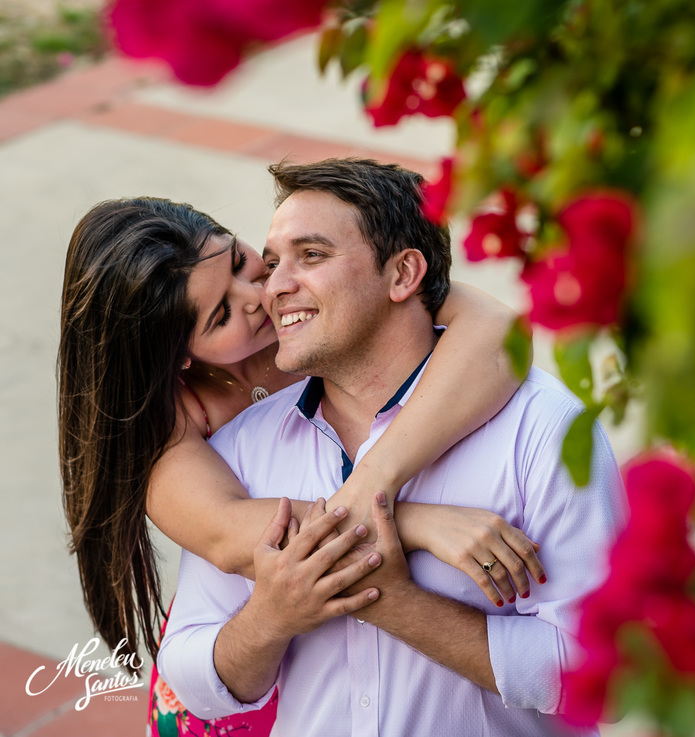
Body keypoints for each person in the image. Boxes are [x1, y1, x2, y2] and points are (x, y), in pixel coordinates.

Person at [156, 158, 627, 736]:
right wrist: (270, 618)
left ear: (403, 274)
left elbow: (606, 679)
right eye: (274, 261)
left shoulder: (542, 430)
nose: (270, 288)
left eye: (311, 255)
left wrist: (397, 603)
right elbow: (191, 679)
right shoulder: (233, 448)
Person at [58, 193, 543, 737]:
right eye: (221, 313)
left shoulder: (329, 304)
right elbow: (231, 533)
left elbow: (500, 333)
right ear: (182, 355)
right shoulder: (174, 420)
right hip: (252, 672)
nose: (260, 294)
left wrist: (377, 478)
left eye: (241, 263)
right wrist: (416, 521)